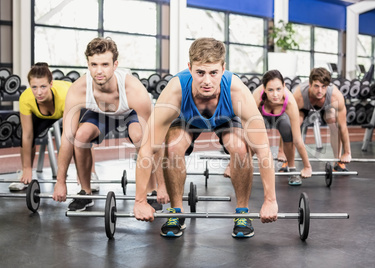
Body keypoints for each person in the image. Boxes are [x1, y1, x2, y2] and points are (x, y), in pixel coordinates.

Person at [133, 37, 278, 238]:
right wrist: (140, 201)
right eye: (200, 72)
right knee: (173, 147)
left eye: (213, 73)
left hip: (225, 118)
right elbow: (148, 149)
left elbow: (263, 149)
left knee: (241, 148)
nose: (207, 81)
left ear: (223, 68)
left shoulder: (237, 92)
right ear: (190, 68)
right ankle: (176, 212)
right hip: (187, 119)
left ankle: (242, 213)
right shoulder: (175, 91)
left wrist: (270, 200)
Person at [52, 37, 168, 211]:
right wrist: (60, 182)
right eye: (94, 65)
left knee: (141, 137)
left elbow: (154, 140)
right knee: (80, 135)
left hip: (129, 112)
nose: (99, 71)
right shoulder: (78, 90)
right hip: (100, 113)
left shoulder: (133, 89)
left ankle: (150, 190)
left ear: (115, 65)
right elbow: (67, 137)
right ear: (88, 65)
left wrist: (162, 185)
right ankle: (85, 191)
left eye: (105, 65)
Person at [9, 63, 99, 191]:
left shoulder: (67, 95)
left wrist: (81, 172)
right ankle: (25, 174)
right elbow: (27, 135)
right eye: (34, 87)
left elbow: (69, 136)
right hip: (46, 114)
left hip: (72, 104)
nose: (38, 92)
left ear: (51, 84)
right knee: (25, 133)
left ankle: (90, 173)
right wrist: (27, 168)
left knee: (81, 136)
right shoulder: (26, 98)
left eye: (43, 87)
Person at [225, 70, 312, 185]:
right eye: (270, 90)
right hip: (260, 117)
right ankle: (238, 165)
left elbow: (297, 139)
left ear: (284, 86)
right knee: (251, 137)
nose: (275, 94)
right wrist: (231, 164)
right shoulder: (256, 96)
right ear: (264, 88)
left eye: (278, 89)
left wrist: (307, 166)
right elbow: (244, 128)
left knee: (288, 131)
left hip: (281, 118)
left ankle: (292, 169)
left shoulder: (290, 102)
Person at [283, 67, 352, 170]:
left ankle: (338, 162)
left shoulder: (336, 96)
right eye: (316, 86)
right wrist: (281, 152)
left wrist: (347, 152)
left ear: (328, 86)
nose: (320, 91)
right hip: (304, 108)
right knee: (293, 124)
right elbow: (286, 125)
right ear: (310, 84)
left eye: (324, 86)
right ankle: (288, 161)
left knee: (333, 121)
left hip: (326, 106)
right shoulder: (298, 96)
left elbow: (343, 126)